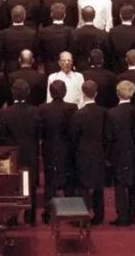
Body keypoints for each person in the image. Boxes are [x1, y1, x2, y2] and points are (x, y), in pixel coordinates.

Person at [0, 79, 41, 225]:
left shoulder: (6, 113)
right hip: (30, 152)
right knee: (31, 186)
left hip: (13, 154)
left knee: (13, 186)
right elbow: (39, 133)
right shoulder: (35, 111)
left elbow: (2, 135)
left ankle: (12, 219)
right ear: (28, 93)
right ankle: (31, 218)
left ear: (13, 93)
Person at [39, 80, 77, 224]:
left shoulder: (43, 108)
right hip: (67, 149)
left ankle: (48, 214)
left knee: (50, 182)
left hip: (49, 148)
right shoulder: (72, 108)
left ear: (50, 92)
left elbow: (41, 130)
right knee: (69, 183)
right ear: (65, 92)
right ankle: (70, 214)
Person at [70, 80, 107, 225]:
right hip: (99, 152)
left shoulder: (78, 114)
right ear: (96, 94)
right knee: (98, 185)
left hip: (83, 153)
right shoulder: (104, 112)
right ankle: (99, 216)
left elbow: (74, 136)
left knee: (83, 186)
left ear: (82, 93)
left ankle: (83, 218)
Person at [105, 81, 135, 226]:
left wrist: (108, 155)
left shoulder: (111, 113)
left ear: (117, 93)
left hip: (117, 153)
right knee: (134, 183)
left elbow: (108, 136)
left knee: (119, 185)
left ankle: (122, 216)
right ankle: (132, 215)